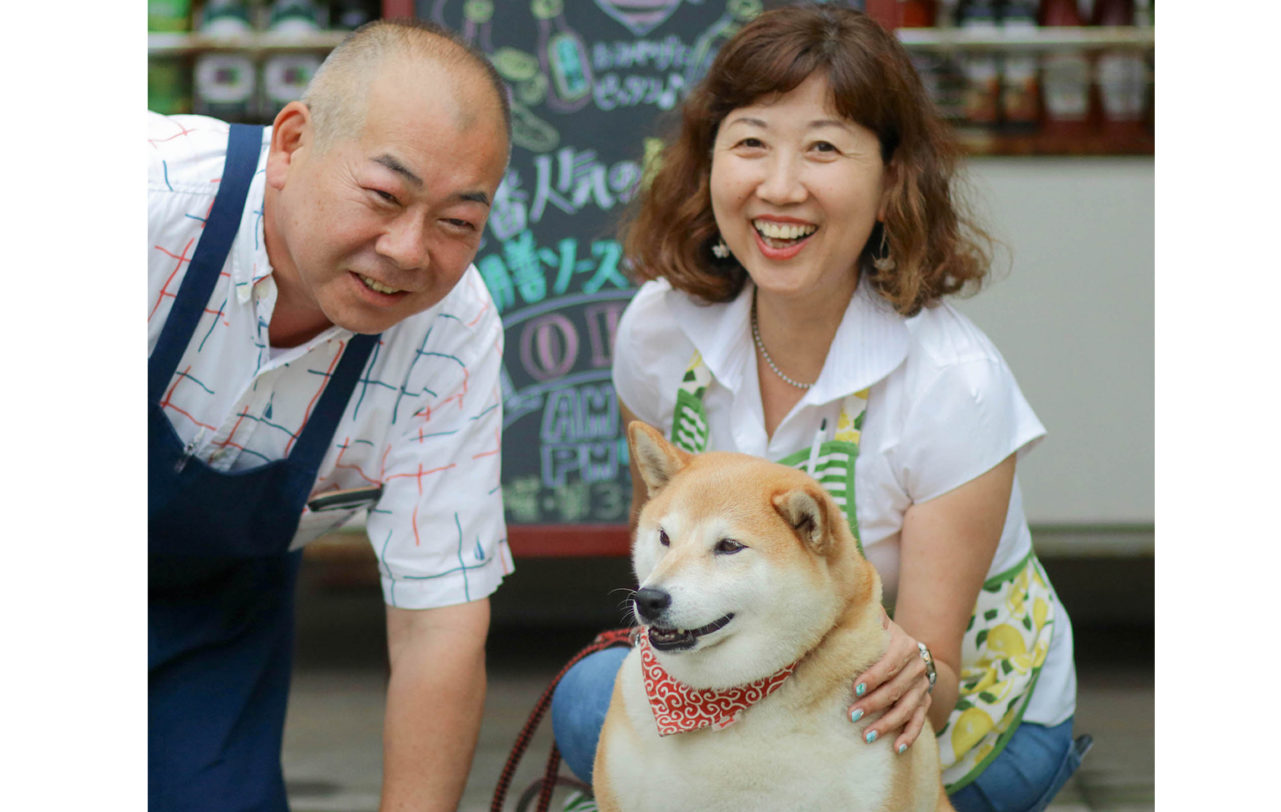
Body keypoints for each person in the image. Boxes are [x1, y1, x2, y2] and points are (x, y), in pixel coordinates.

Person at [550, 6, 1088, 812]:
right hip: (748, 683)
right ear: (707, 163)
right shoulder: (660, 330)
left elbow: (929, 684)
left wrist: (901, 675)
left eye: (825, 148)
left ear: (889, 184)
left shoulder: (954, 383)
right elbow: (663, 559)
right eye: (751, 142)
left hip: (938, 721)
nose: (779, 186)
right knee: (597, 695)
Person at [148, 19, 514, 812]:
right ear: (291, 143)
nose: (410, 251)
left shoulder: (450, 333)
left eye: (457, 222)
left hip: (213, 613)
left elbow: (436, 625)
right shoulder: (142, 200)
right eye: (385, 197)